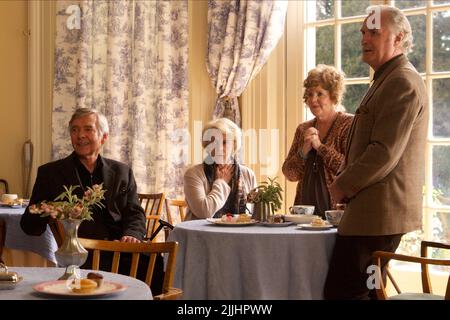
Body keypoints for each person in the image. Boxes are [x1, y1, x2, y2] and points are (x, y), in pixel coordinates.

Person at [325, 5, 428, 300]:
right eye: (362, 33)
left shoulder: (401, 81)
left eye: (374, 33)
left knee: (350, 293)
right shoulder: (386, 79)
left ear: (399, 38)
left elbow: (383, 152)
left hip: (377, 215)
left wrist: (341, 185)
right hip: (370, 213)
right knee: (360, 293)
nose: (364, 39)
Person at [19, 108, 162, 291]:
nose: (80, 135)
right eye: (75, 130)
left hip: (120, 249)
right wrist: (46, 210)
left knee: (154, 261)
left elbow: (134, 213)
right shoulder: (50, 173)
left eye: (88, 129)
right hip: (83, 255)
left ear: (103, 137)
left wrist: (132, 235)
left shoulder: (122, 171)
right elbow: (29, 227)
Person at [282, 65, 353, 218]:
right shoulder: (303, 129)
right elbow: (289, 174)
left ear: (333, 95)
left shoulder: (348, 124)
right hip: (303, 216)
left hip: (336, 214)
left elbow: (349, 169)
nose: (313, 100)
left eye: (320, 94)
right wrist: (303, 151)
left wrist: (320, 147)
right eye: (309, 94)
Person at [184, 117, 257, 220]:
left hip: (241, 233)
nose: (219, 148)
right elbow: (204, 212)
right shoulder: (193, 174)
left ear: (234, 144)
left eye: (224, 142)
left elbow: (255, 214)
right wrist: (221, 182)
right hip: (202, 234)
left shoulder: (248, 174)